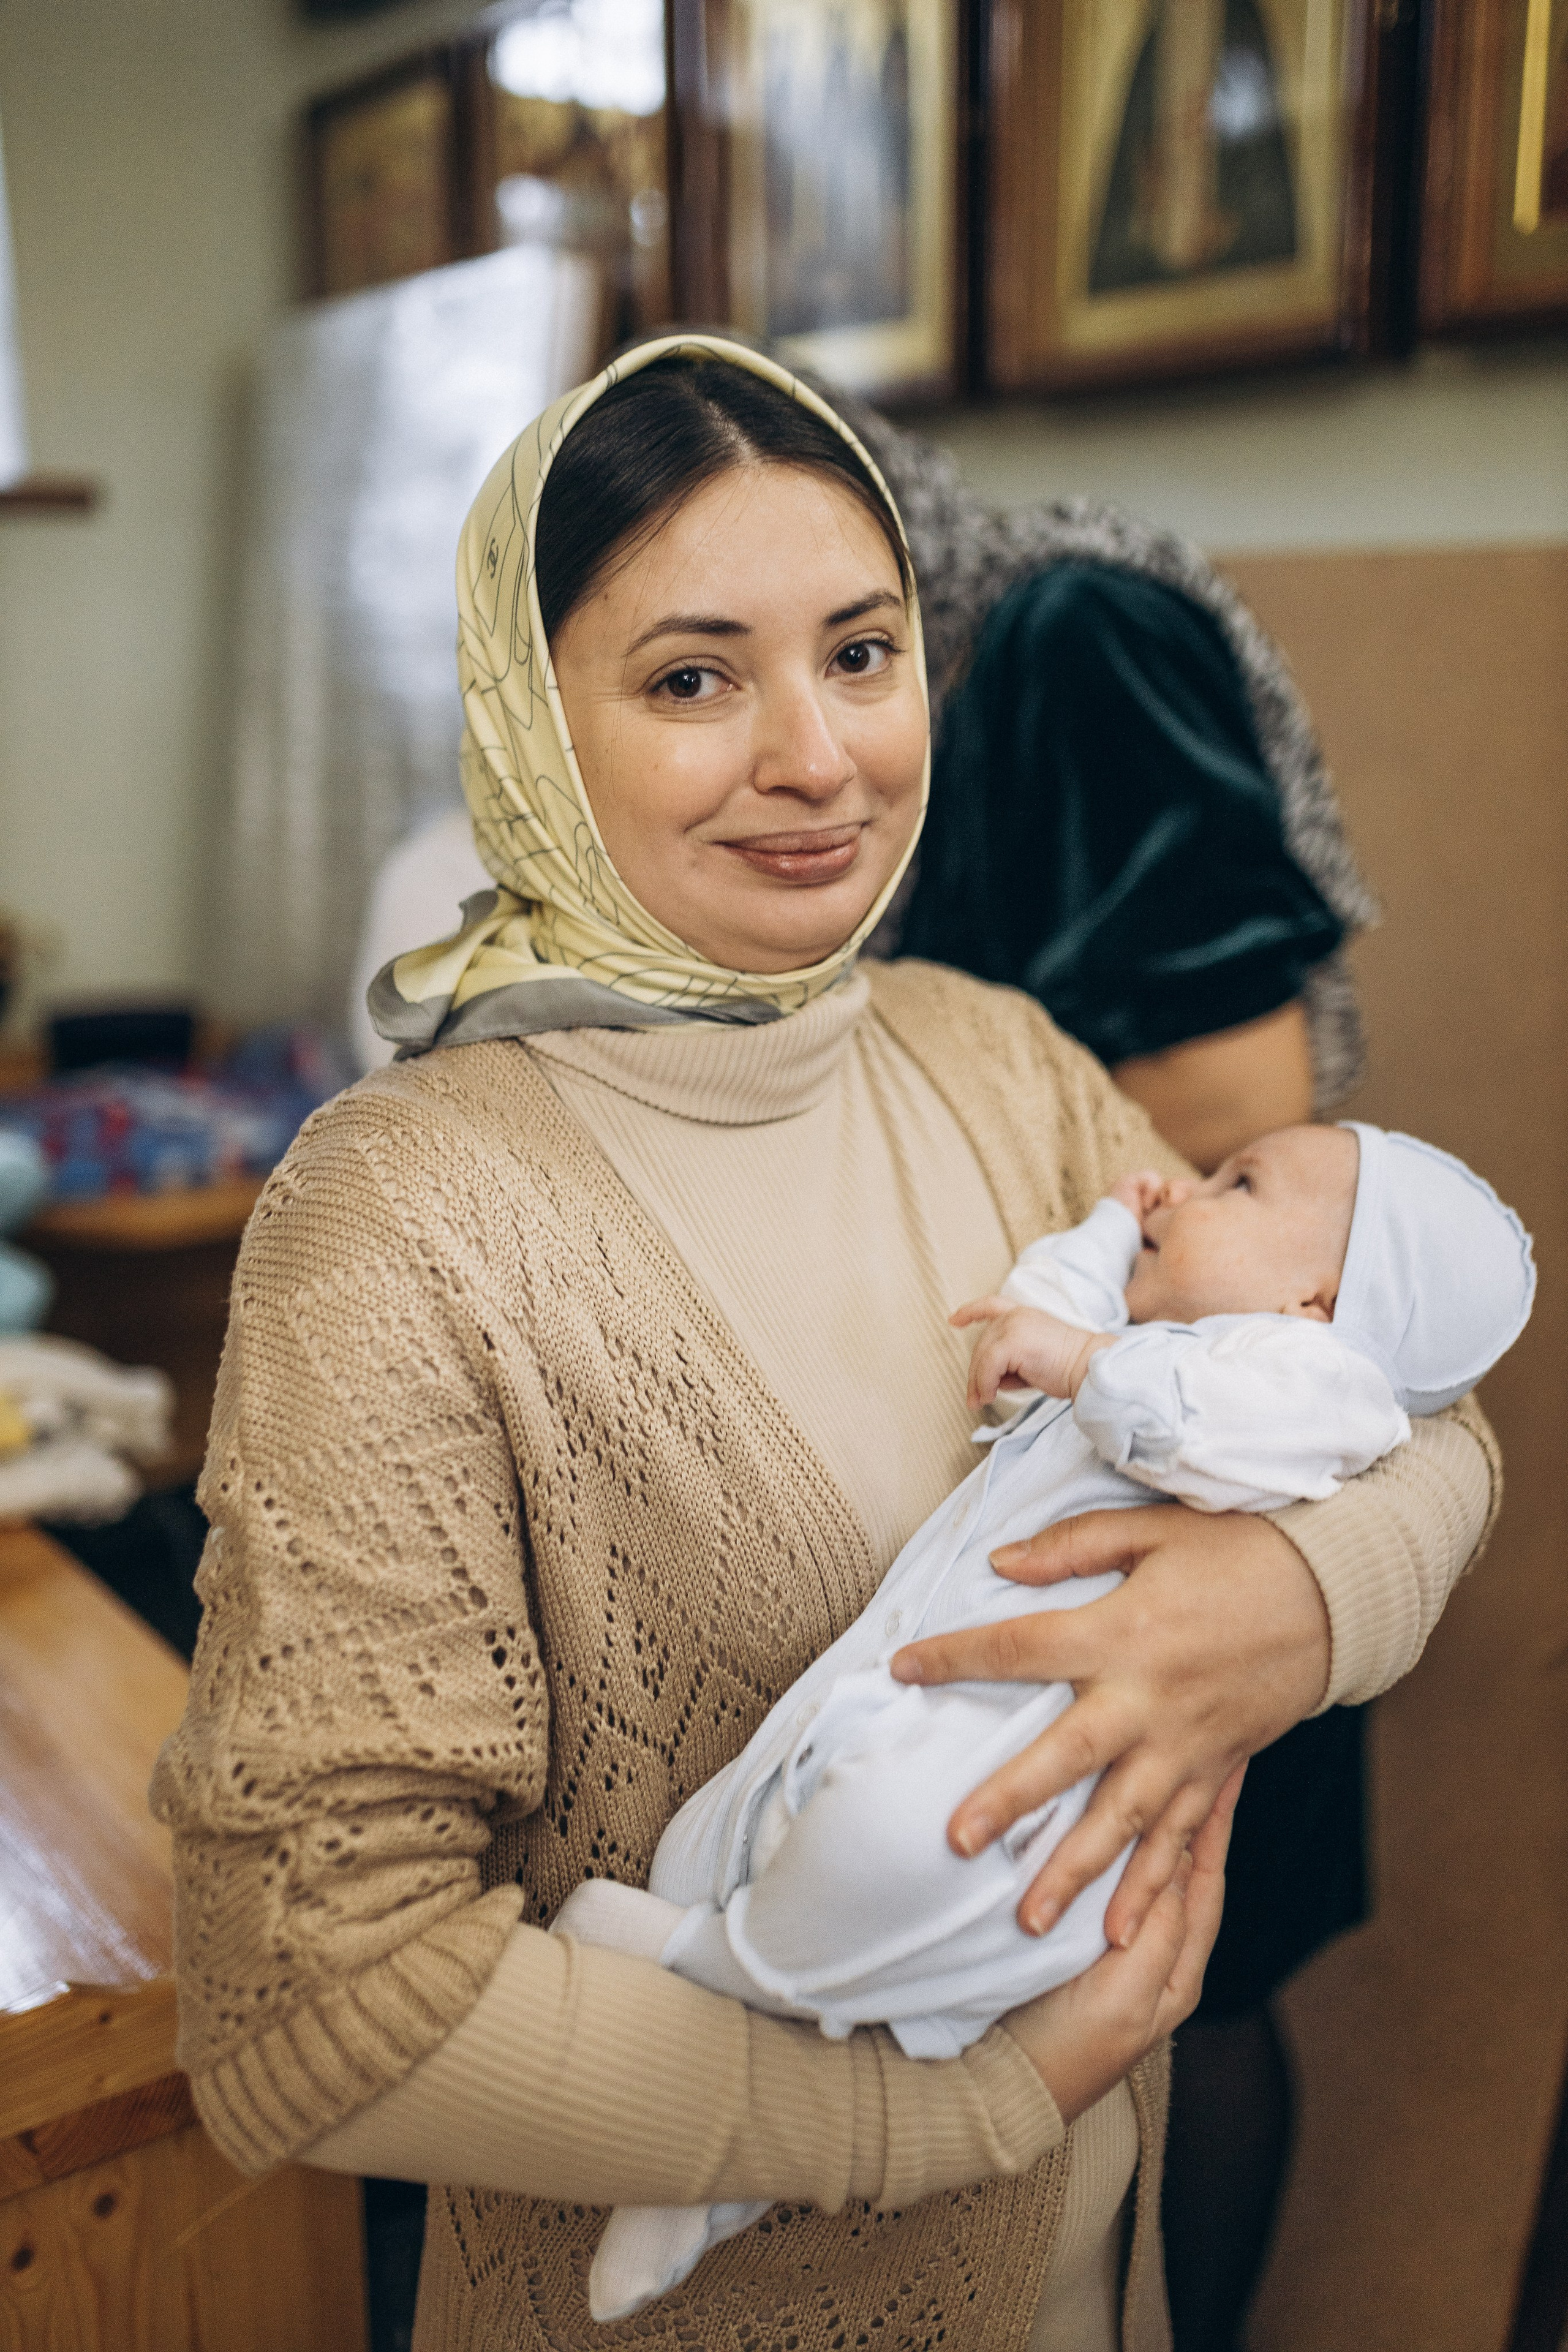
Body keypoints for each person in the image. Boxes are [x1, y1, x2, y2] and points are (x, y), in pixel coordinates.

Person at [151, 336, 1499, 2352]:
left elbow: (1428, 1418)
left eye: (862, 655)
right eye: (695, 677)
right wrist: (937, 2108)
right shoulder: (403, 1218)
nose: (818, 756)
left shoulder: (999, 1059)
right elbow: (322, 1994)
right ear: (537, 720)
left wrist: (1293, 1600)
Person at [575, 1121, 1532, 2323]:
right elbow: (1029, 1325)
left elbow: (1229, 1419)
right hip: (906, 1688)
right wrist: (1094, 1244)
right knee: (712, 1841)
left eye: (1234, 1184)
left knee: (886, 1853)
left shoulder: (1304, 1385)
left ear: (1312, 1299)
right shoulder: (1154, 1328)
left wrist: (1098, 1373)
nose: (1180, 1190)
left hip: (1024, 1771)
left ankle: (706, 2036)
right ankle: (710, 2099)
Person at [820, 385, 1387, 2347]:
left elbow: (1242, 1104)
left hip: (1207, 1426)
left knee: (1181, 1987)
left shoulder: (1070, 639)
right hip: (1072, 1431)